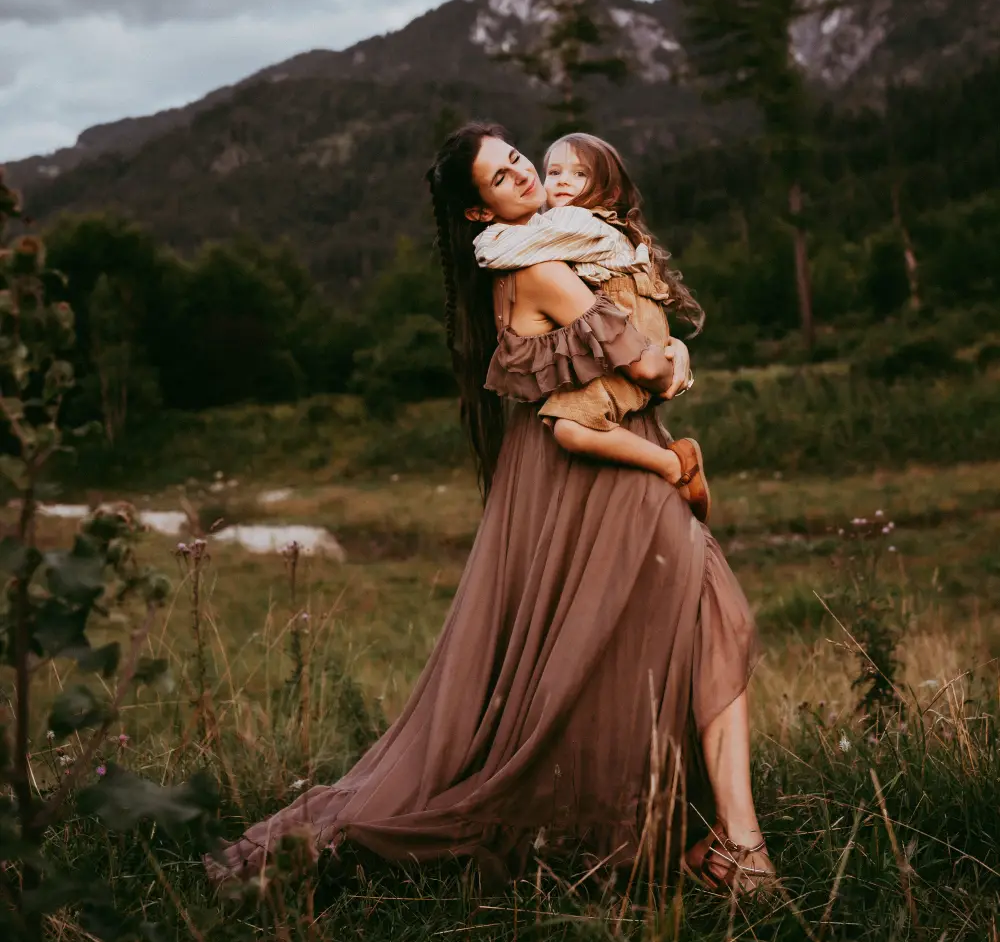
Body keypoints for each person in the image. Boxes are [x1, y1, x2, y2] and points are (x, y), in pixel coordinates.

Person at [209, 122, 774, 895]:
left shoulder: (541, 253)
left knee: (671, 626)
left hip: (587, 474)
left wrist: (664, 355)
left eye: (517, 158)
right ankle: (726, 848)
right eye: (503, 178)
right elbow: (646, 361)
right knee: (695, 617)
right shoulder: (540, 269)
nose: (521, 173)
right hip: (593, 483)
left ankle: (727, 842)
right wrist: (676, 357)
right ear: (480, 214)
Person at [472, 130, 711, 520]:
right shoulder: (562, 239)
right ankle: (672, 462)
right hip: (630, 340)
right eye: (555, 171)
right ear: (478, 208)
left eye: (578, 175)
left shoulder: (570, 224)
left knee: (571, 428)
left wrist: (483, 242)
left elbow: (646, 364)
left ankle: (674, 463)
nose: (561, 181)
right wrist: (676, 352)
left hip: (627, 334)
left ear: (607, 192)